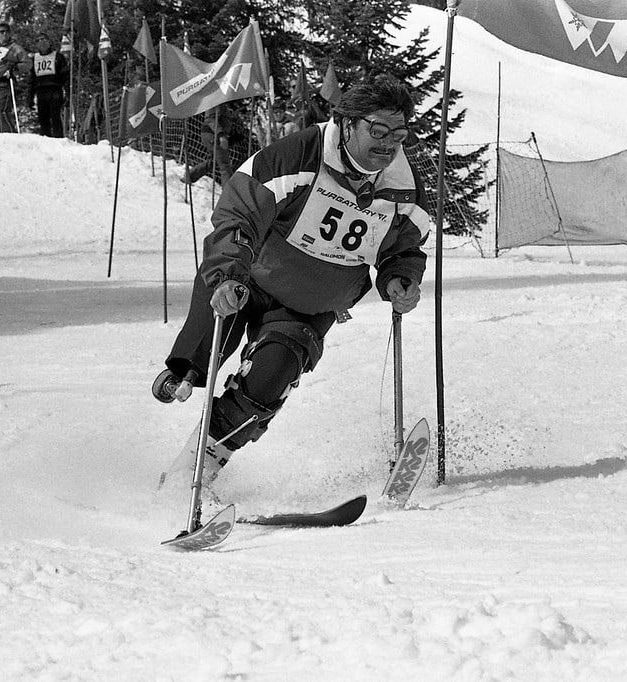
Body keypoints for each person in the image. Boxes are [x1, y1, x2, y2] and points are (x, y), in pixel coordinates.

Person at [152, 74, 431, 496]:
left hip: (309, 305)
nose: (389, 144)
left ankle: (188, 477)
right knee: (197, 360)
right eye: (377, 131)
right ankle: (183, 371)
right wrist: (228, 274)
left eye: (399, 134)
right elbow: (240, 214)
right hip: (250, 280)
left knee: (265, 386)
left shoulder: (402, 184)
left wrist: (400, 278)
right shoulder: (301, 154)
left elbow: (404, 245)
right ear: (347, 123)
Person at [0, 22, 28, 133]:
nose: (3, 34)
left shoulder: (15, 48)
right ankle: (1, 134)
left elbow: (27, 63)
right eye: (0, 32)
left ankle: (10, 134)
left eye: (5, 31)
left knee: (2, 110)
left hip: (4, 83)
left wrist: (15, 68)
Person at [26, 33, 68, 138]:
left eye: (44, 39)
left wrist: (67, 92)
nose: (42, 42)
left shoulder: (58, 57)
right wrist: (29, 97)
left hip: (55, 89)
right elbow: (31, 80)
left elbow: (65, 76)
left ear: (49, 42)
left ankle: (59, 139)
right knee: (43, 118)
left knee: (55, 116)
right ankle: (46, 141)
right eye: (39, 40)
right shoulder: (35, 59)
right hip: (41, 91)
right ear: (36, 44)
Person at [182, 104, 236, 185]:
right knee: (225, 165)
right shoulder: (216, 100)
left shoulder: (222, 103)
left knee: (215, 161)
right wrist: (220, 135)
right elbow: (211, 119)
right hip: (213, 134)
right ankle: (228, 193)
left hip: (213, 134)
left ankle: (190, 176)